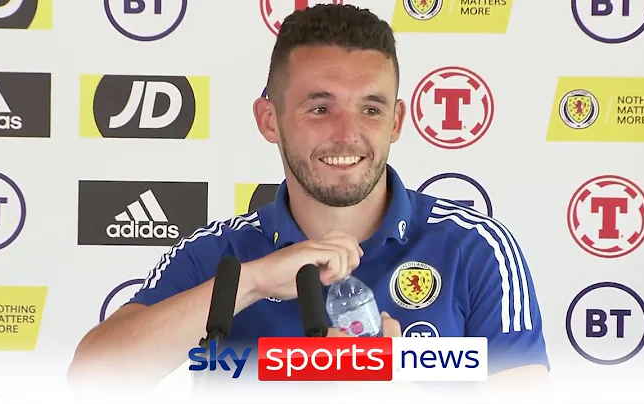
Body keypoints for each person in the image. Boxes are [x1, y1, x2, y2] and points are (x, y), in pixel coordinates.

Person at [67, 3, 550, 393]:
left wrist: (399, 381)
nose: (348, 135)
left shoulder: (474, 247)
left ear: (398, 121)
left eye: (370, 109)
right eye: (319, 108)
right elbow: (92, 380)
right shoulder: (219, 254)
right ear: (269, 120)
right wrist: (252, 283)